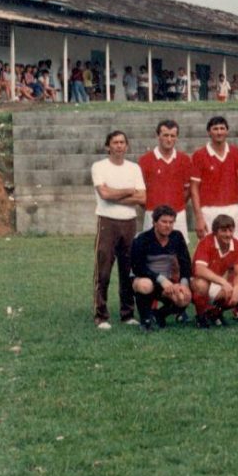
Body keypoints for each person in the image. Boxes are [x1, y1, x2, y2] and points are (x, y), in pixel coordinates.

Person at [91, 130, 145, 329]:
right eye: (115, 142)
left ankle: (127, 314)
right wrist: (129, 191)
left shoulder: (134, 168)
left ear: (127, 146)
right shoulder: (99, 167)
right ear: (108, 146)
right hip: (107, 221)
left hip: (129, 222)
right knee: (103, 270)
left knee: (128, 269)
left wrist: (115, 194)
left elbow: (142, 198)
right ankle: (101, 315)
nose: (119, 146)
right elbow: (104, 194)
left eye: (122, 142)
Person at [130, 205, 193, 331]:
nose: (168, 225)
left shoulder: (177, 236)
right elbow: (138, 268)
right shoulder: (142, 239)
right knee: (145, 285)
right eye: (164, 222)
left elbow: (185, 263)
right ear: (154, 222)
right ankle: (145, 320)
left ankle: (158, 315)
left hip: (167, 283)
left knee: (184, 297)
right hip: (145, 279)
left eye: (171, 222)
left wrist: (183, 284)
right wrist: (160, 279)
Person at [191, 116, 238, 241]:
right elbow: (194, 188)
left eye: (222, 128)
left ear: (227, 131)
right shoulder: (199, 155)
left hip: (232, 209)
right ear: (209, 132)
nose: (219, 132)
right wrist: (199, 217)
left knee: (233, 247)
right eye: (215, 129)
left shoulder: (235, 152)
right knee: (209, 247)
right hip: (208, 211)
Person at [138, 119, 193, 243]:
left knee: (177, 251)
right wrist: (152, 209)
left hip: (178, 215)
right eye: (165, 135)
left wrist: (176, 205)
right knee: (151, 251)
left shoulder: (184, 160)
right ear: (158, 136)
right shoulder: (145, 160)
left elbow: (187, 191)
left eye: (172, 136)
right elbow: (140, 192)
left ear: (177, 137)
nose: (169, 139)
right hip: (152, 215)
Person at [191, 214, 238, 327]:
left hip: (215, 282)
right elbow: (199, 270)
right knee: (201, 284)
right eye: (223, 231)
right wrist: (223, 282)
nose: (228, 234)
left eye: (230, 230)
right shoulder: (206, 242)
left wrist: (236, 290)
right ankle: (201, 316)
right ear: (215, 232)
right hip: (197, 281)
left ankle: (215, 312)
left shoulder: (237, 245)